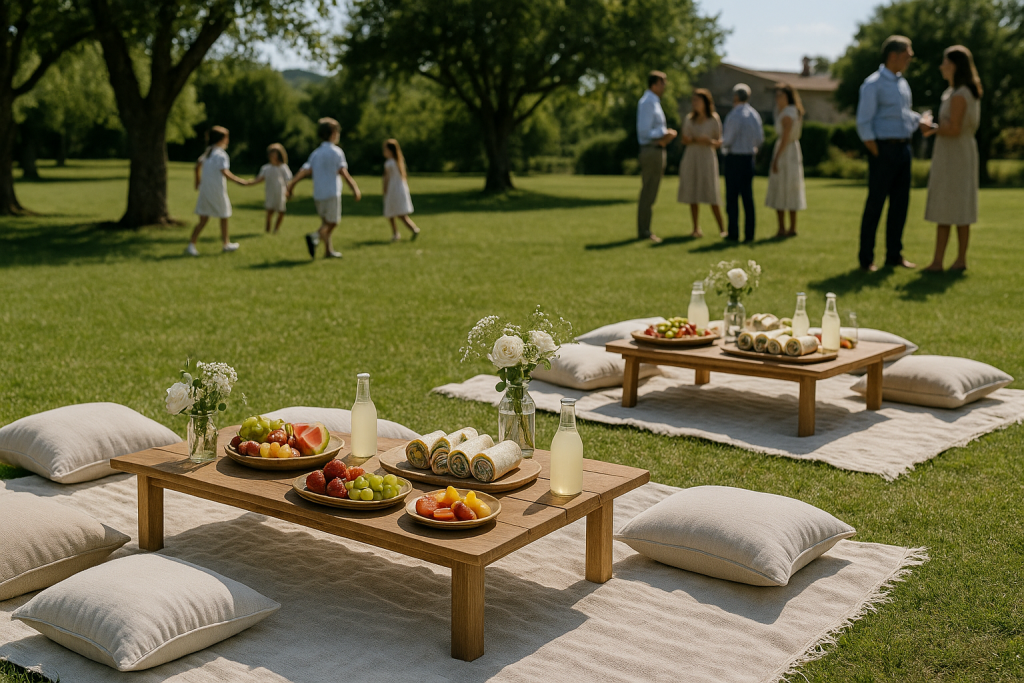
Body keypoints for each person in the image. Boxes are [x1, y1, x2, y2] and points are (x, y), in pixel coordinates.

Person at [855, 35, 935, 271]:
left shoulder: (902, 83)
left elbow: (903, 114)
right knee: (876, 205)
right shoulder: (873, 84)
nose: (911, 58)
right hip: (883, 150)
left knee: (900, 204)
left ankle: (894, 255)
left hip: (903, 148)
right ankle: (866, 259)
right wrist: (877, 151)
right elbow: (864, 122)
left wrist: (920, 121)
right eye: (907, 54)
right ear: (893, 55)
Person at [922, 46, 983, 272]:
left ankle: (945, 261)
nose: (941, 66)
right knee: (955, 206)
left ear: (955, 65)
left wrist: (930, 127)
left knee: (952, 206)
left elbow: (954, 128)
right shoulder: (957, 91)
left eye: (945, 62)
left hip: (955, 154)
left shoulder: (960, 94)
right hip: (956, 152)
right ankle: (954, 260)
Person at [286, 117, 362, 260]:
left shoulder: (316, 153)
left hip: (318, 194)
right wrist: (354, 188)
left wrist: (291, 185)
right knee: (333, 222)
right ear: (333, 133)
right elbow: (344, 173)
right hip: (332, 192)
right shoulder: (337, 152)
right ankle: (314, 236)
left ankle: (328, 251)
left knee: (325, 223)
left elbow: (304, 171)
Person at [186, 126, 250, 257]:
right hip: (216, 191)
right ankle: (225, 244)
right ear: (222, 139)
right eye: (227, 138)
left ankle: (192, 244)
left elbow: (197, 166)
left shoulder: (208, 152)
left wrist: (197, 182)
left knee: (204, 219)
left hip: (205, 190)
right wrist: (240, 181)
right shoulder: (221, 154)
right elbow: (225, 172)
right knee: (224, 215)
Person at [636, 70, 677, 243]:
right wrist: (665, 132)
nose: (665, 86)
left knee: (652, 192)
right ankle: (644, 230)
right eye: (662, 83)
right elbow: (644, 131)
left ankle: (646, 228)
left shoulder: (654, 102)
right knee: (648, 192)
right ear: (654, 84)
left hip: (657, 149)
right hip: (651, 150)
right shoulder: (648, 102)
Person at [677, 88, 724, 238]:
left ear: (705, 102)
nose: (695, 103)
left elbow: (719, 142)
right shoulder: (689, 119)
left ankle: (722, 228)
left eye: (698, 100)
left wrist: (708, 141)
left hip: (707, 157)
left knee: (711, 192)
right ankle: (696, 228)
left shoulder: (714, 119)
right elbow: (684, 139)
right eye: (693, 101)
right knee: (693, 192)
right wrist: (698, 140)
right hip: (692, 156)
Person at [721, 83, 764, 242]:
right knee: (748, 198)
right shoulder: (754, 115)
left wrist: (719, 143)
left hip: (734, 158)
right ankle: (749, 234)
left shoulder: (734, 115)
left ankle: (733, 233)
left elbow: (728, 139)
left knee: (732, 198)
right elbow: (760, 139)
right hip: (748, 159)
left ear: (736, 97)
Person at [764, 83, 807, 237]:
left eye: (781, 96)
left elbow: (785, 138)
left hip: (786, 152)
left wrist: (775, 159)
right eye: (777, 96)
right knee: (788, 186)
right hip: (791, 150)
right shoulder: (786, 111)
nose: (778, 99)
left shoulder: (788, 113)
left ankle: (785, 227)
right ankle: (788, 227)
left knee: (784, 186)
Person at [249, 143, 293, 235]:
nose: (272, 155)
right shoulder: (266, 168)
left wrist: (289, 191)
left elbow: (288, 180)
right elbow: (259, 179)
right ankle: (268, 230)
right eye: (271, 153)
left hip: (280, 192)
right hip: (270, 192)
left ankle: (276, 229)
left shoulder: (283, 167)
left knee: (281, 211)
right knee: (269, 211)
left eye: (275, 153)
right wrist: (247, 183)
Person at [382, 138, 420, 241]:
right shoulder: (398, 162)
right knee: (401, 214)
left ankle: (396, 233)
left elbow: (386, 178)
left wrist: (384, 189)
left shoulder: (389, 163)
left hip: (392, 190)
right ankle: (413, 229)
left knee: (391, 213)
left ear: (390, 150)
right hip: (400, 189)